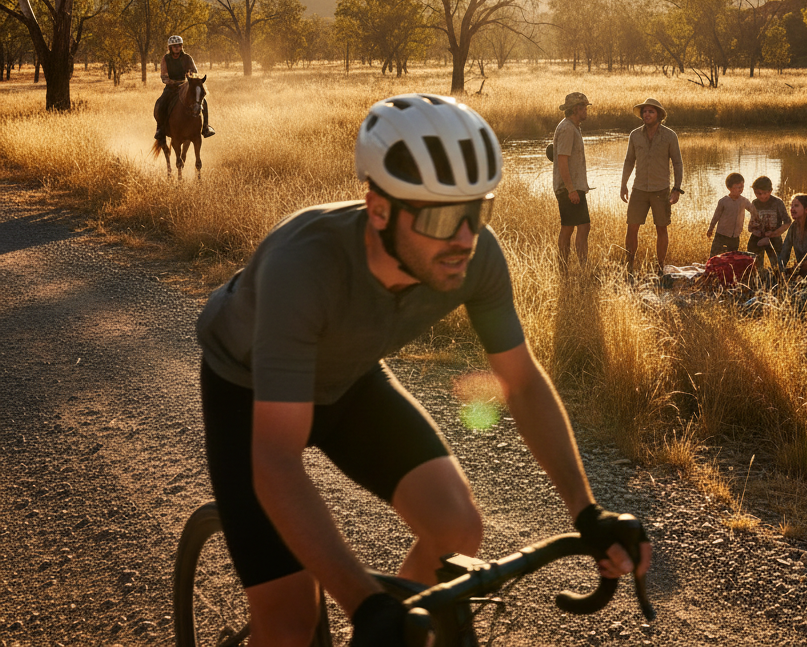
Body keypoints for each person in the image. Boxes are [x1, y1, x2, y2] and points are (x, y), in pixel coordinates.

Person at [195, 94, 649, 647]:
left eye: (477, 211)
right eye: (440, 217)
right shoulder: (304, 265)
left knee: (456, 528)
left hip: (350, 378)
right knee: (290, 623)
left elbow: (523, 382)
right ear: (379, 210)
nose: (464, 238)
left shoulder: (476, 256)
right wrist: (365, 604)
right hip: (246, 389)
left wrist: (587, 512)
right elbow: (275, 459)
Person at [619, 97, 683, 276]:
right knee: (632, 227)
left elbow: (677, 163)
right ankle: (629, 267)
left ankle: (660, 268)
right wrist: (623, 184)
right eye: (644, 111)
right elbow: (629, 161)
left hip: (661, 190)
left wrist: (676, 189)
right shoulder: (634, 135)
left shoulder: (670, 136)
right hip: (639, 189)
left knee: (661, 228)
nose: (647, 114)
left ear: (659, 115)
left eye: (651, 111)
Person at [553, 91, 592, 271]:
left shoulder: (573, 127)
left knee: (578, 226)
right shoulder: (567, 128)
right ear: (576, 109)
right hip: (569, 188)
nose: (586, 110)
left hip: (574, 187)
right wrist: (570, 189)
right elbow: (562, 160)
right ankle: (571, 268)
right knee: (573, 228)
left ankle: (572, 267)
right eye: (583, 107)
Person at [154, 35, 215, 140]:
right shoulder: (166, 59)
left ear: (181, 46)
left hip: (186, 85)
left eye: (178, 45)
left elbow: (194, 72)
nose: (177, 48)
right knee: (161, 103)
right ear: (170, 47)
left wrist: (189, 79)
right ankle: (160, 129)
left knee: (203, 101)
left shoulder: (187, 58)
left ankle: (205, 127)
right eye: (174, 46)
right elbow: (164, 75)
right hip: (171, 87)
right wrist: (172, 82)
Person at [705, 172, 756, 258]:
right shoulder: (723, 201)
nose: (741, 189)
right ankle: (712, 266)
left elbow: (753, 210)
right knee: (715, 255)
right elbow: (716, 216)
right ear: (729, 188)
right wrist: (711, 228)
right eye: (738, 187)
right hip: (721, 234)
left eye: (742, 187)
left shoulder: (744, 201)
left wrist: (754, 220)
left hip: (735, 236)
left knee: (732, 257)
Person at [746, 175, 791, 271]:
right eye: (758, 193)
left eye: (765, 193)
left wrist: (774, 233)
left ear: (770, 191)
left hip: (774, 236)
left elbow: (787, 222)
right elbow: (753, 222)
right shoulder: (755, 203)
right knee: (753, 260)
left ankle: (778, 275)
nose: (762, 196)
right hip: (758, 235)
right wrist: (755, 231)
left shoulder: (778, 202)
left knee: (778, 262)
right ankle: (758, 274)